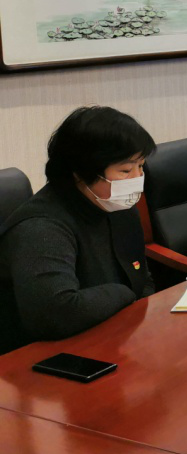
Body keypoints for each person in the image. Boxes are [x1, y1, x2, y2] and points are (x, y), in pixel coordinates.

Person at [0, 106, 156, 353]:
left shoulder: (118, 206)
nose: (137, 179)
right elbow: (56, 313)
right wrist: (125, 294)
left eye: (141, 166)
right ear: (80, 173)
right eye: (126, 170)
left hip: (111, 338)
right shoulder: (40, 228)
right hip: (41, 357)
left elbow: (141, 278)